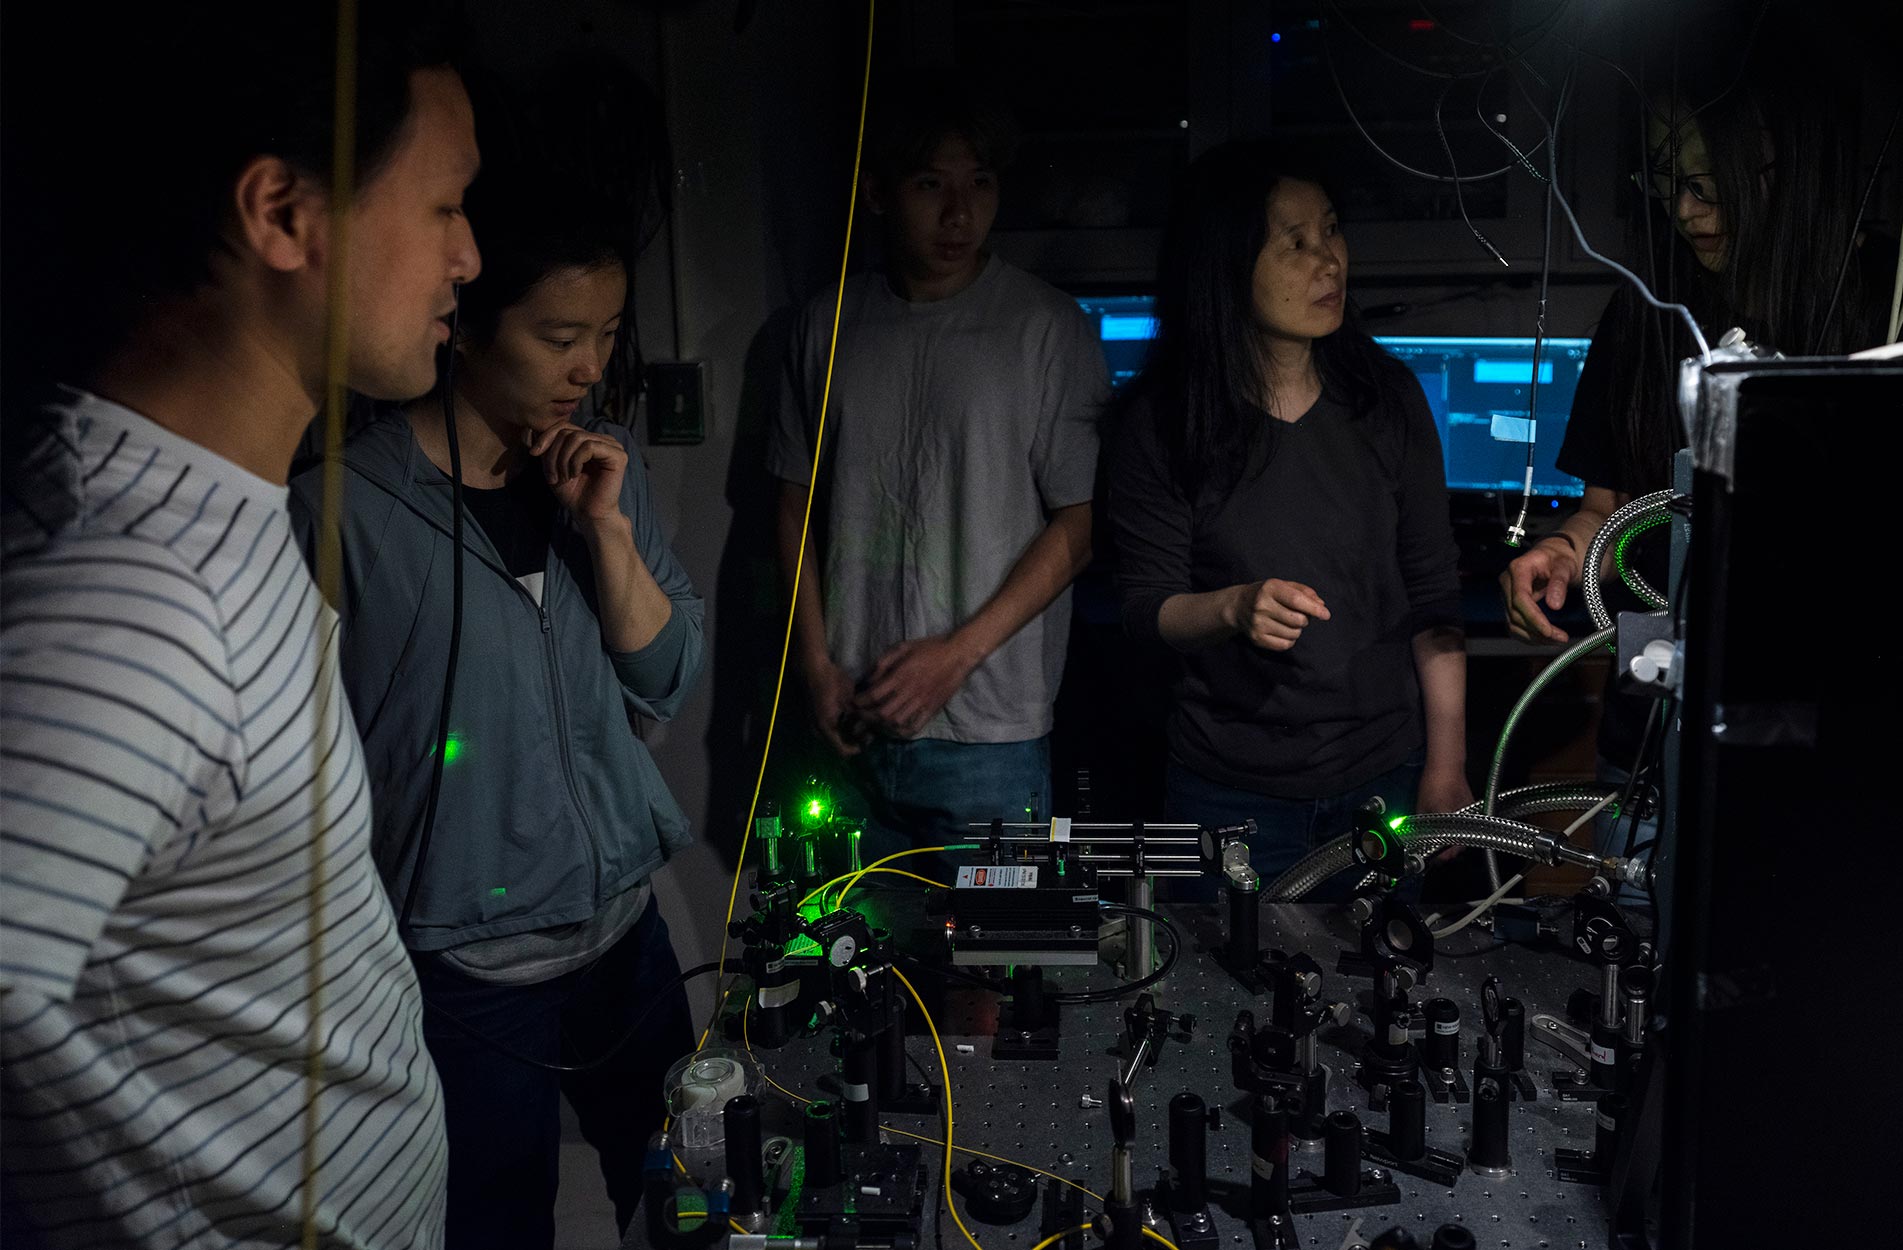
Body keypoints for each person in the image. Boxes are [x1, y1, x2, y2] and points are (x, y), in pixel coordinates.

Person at [0, 4, 477, 1246]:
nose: (470, 256)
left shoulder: (212, 498)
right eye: (442, 207)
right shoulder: (132, 601)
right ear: (282, 215)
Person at [288, 117, 703, 1247]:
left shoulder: (602, 464)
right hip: (468, 967)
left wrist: (607, 535)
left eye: (607, 334)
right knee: (494, 1217)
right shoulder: (346, 508)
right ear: (464, 323)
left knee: (687, 1190)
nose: (589, 367)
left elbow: (666, 676)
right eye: (559, 334)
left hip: (625, 931)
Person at [1498, 22, 1903, 865]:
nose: (1686, 210)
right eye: (1664, 179)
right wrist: (1559, 549)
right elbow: (1608, 509)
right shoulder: (1643, 312)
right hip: (1656, 739)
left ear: (1784, 164)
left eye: (1708, 181)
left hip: (1843, 755)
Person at [1107, 139, 1474, 891]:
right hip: (1228, 792)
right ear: (1226, 264)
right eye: (1296, 243)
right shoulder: (1162, 422)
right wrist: (1233, 607)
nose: (1329, 261)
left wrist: (1447, 764)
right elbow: (1147, 609)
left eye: (1333, 231)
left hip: (1384, 775)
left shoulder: (1388, 398)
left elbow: (1434, 595)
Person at [769, 74, 1107, 856]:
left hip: (989, 733)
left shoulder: (1046, 328)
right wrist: (814, 667)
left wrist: (956, 657)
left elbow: (1081, 523)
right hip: (849, 718)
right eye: (931, 184)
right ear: (879, 194)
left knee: (990, 970)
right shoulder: (827, 323)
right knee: (850, 959)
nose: (960, 213)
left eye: (979, 184)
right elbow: (792, 507)